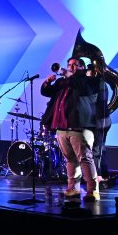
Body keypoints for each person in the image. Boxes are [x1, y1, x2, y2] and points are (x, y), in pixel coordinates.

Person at [41, 57, 100, 201]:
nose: (70, 67)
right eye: (69, 65)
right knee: (70, 160)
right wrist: (47, 83)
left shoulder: (88, 79)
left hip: (79, 126)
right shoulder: (62, 82)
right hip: (61, 126)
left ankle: (93, 190)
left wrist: (70, 75)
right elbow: (47, 92)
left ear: (82, 67)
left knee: (85, 159)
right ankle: (73, 188)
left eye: (74, 65)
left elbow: (84, 88)